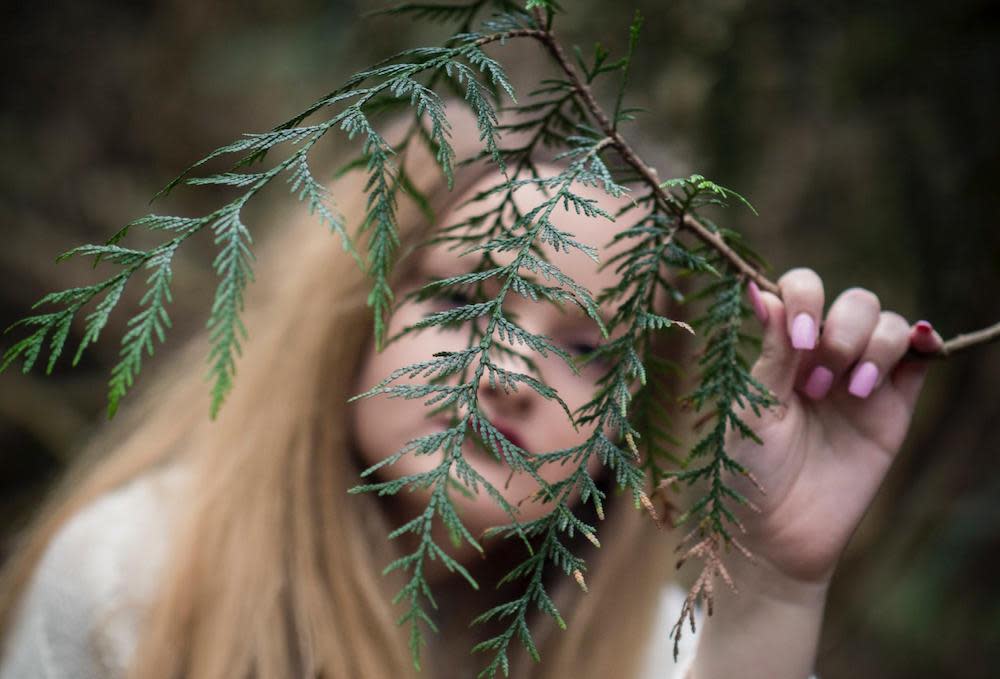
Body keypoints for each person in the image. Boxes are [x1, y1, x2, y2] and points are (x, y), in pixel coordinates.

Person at [0, 107, 943, 679]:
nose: (510, 372)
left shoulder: (674, 656)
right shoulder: (136, 581)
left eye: (588, 348)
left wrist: (775, 588)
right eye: (460, 296)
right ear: (353, 319)